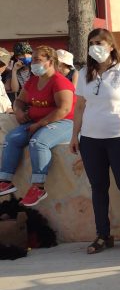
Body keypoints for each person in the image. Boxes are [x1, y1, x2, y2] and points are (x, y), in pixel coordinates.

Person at [70, 29, 120, 254]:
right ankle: (103, 235)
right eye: (91, 43)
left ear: (111, 45)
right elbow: (80, 106)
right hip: (91, 139)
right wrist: (74, 135)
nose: (94, 46)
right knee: (98, 188)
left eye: (99, 42)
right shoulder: (84, 73)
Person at [0, 46, 75, 207]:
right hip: (34, 121)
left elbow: (64, 109)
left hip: (63, 122)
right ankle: (5, 181)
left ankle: (38, 186)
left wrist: (40, 124)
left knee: (38, 142)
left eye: (38, 60)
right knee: (12, 138)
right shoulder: (33, 80)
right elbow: (20, 100)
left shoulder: (60, 81)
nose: (33, 63)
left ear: (50, 62)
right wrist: (18, 111)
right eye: (33, 59)